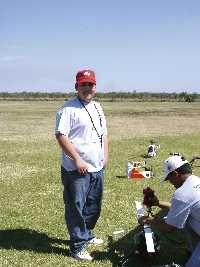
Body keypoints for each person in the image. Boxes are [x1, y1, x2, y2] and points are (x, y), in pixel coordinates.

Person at [55, 69, 108, 261]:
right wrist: (77, 159)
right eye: (83, 84)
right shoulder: (67, 109)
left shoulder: (98, 107)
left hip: (97, 167)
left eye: (90, 84)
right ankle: (77, 246)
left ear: (95, 87)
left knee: (93, 205)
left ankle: (87, 235)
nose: (87, 88)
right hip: (76, 169)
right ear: (76, 86)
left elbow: (103, 135)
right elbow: (61, 136)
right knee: (76, 206)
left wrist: (105, 156)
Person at [138, 155, 200, 267]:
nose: (170, 182)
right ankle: (194, 250)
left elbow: (169, 228)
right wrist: (157, 203)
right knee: (189, 218)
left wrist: (148, 220)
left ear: (176, 174)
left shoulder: (183, 193)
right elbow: (179, 209)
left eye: (169, 179)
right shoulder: (196, 180)